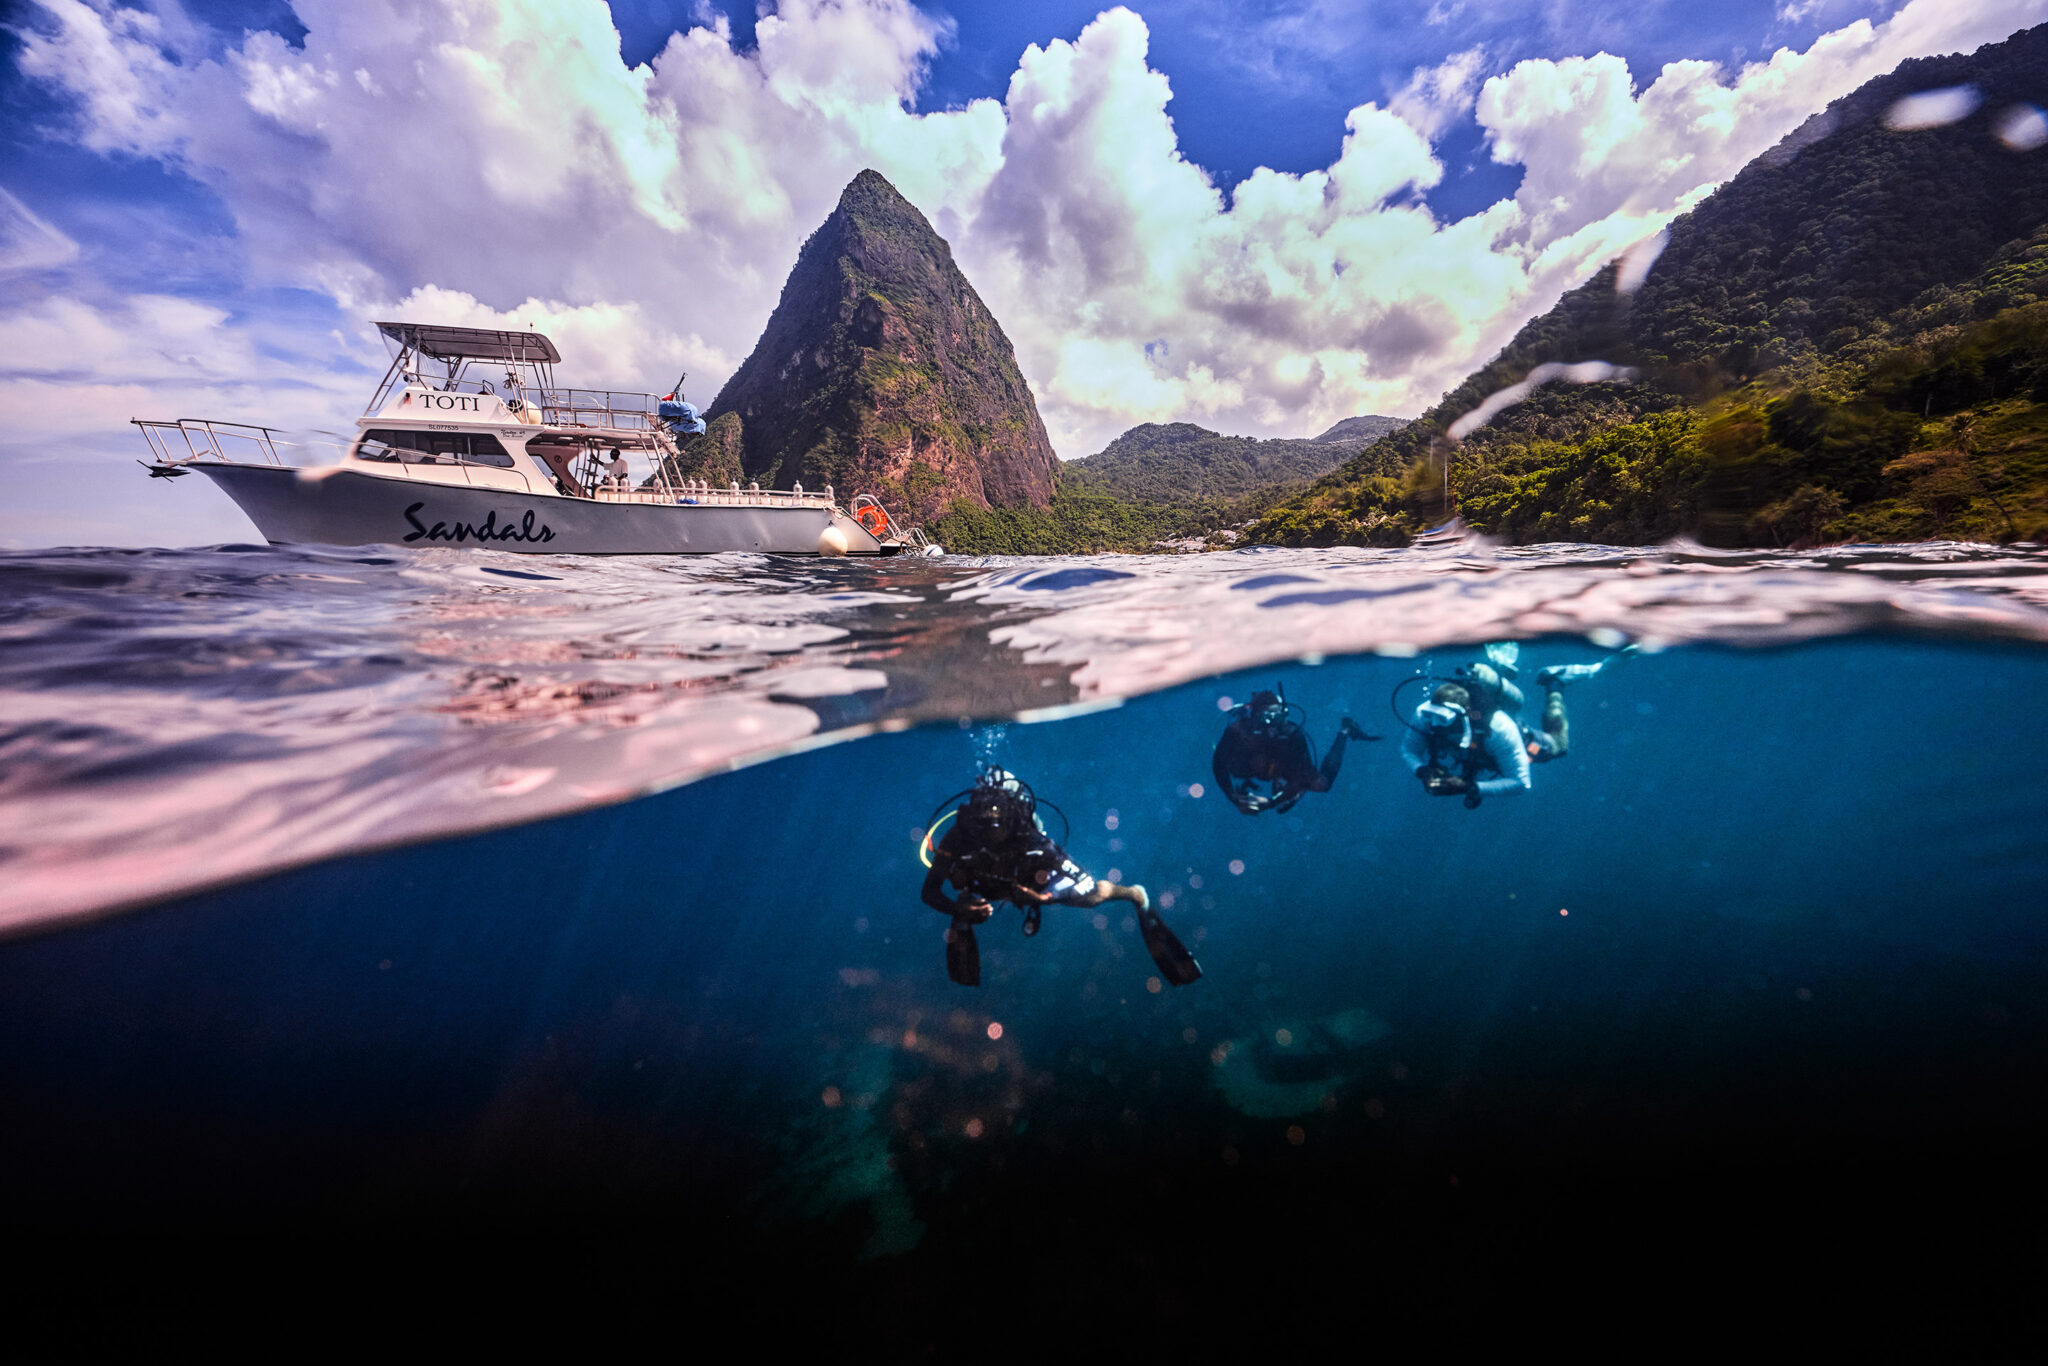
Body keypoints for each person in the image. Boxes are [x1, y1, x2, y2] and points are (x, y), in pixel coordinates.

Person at [920, 768, 1201, 988]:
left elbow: (1085, 884)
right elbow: (929, 891)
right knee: (961, 883)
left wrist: (1043, 898)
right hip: (986, 882)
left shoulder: (1034, 841)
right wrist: (958, 908)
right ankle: (968, 908)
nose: (986, 828)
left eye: (994, 820)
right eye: (980, 819)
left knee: (1092, 899)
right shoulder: (960, 834)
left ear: (1012, 817)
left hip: (1029, 882)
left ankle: (1135, 895)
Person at [1211, 688, 1377, 815]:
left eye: (1277, 717)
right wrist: (1232, 796)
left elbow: (1301, 778)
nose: (1272, 726)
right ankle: (1272, 782)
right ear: (1253, 717)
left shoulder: (1291, 735)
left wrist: (1271, 802)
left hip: (1283, 765)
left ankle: (1345, 731)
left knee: (1322, 784)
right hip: (1253, 767)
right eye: (1266, 718)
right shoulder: (1238, 731)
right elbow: (1219, 763)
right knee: (1240, 768)